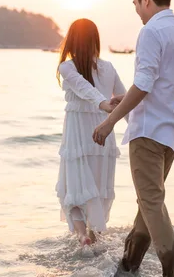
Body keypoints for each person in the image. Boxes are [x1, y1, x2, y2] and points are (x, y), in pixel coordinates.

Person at [93, 0, 174, 276]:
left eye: (136, 4)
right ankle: (129, 265)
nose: (137, 11)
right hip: (172, 133)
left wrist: (110, 121)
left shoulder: (151, 32)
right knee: (148, 204)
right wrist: (123, 99)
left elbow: (145, 84)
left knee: (151, 204)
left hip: (148, 134)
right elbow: (166, 85)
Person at [55, 18, 127, 246]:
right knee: (97, 190)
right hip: (102, 139)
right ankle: (94, 236)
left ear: (72, 40)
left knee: (73, 191)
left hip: (78, 140)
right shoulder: (108, 68)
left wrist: (104, 103)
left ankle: (82, 236)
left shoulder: (67, 67)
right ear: (96, 40)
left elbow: (87, 89)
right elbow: (126, 99)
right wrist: (136, 126)